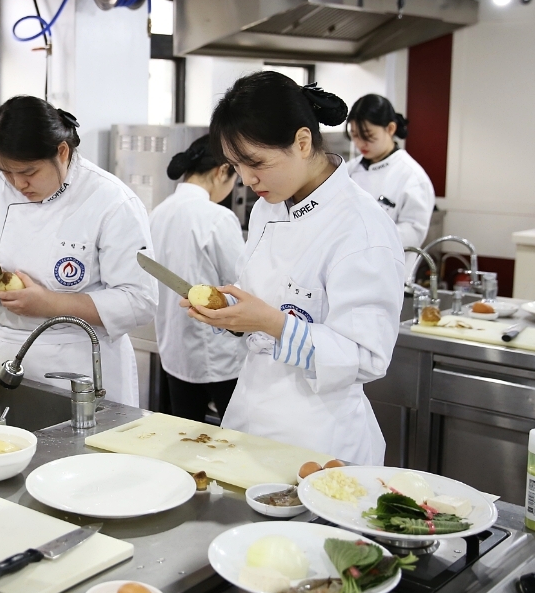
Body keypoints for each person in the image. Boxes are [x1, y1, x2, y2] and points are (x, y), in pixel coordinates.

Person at [185, 73, 405, 465]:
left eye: (257, 163)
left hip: (319, 438)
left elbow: (367, 356)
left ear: (302, 142)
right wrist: (231, 313)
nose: (247, 179)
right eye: (236, 166)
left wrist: (272, 323)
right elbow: (263, 299)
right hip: (250, 416)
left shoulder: (361, 227)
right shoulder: (267, 208)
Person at [0, 96, 157, 406]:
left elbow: (139, 300)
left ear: (62, 152)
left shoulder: (111, 200)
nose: (18, 184)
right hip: (7, 359)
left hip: (80, 366)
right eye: (7, 172)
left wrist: (49, 303)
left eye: (29, 172)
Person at [149, 136, 246, 423]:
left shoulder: (158, 213)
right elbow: (241, 284)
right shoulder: (218, 218)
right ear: (222, 170)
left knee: (186, 434)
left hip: (175, 352)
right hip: (221, 356)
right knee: (234, 438)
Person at [346, 94, 436, 278]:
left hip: (388, 277)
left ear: (390, 129)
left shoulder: (411, 176)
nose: (360, 143)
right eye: (355, 135)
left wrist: (365, 236)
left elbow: (413, 235)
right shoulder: (348, 171)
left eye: (369, 136)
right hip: (349, 272)